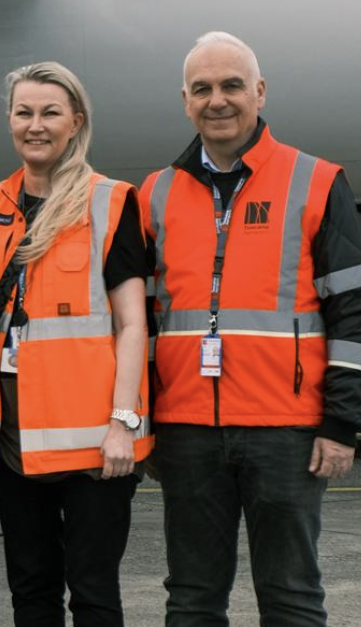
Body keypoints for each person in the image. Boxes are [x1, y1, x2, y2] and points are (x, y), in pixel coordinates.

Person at [142, 32, 361, 627]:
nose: (218, 100)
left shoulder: (317, 181)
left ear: (259, 92)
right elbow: (141, 319)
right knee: (192, 599)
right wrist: (146, 422)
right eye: (202, 89)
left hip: (288, 431)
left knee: (291, 597)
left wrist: (341, 424)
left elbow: (352, 314)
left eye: (232, 85)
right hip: (187, 429)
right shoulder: (156, 193)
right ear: (185, 101)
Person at [0, 63, 152, 627]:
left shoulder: (109, 202)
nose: (36, 125)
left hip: (95, 444)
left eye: (50, 113)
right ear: (9, 120)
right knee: (30, 590)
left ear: (76, 122)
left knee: (94, 593)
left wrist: (123, 423)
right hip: (12, 439)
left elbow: (132, 324)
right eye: (24, 112)